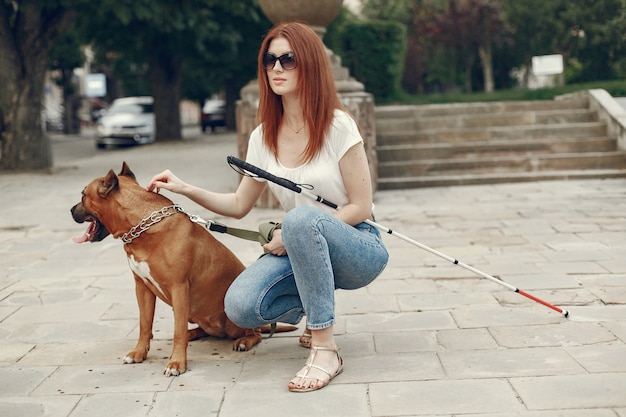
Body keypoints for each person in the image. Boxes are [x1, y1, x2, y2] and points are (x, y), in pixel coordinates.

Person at [147, 21, 389, 392]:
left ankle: (325, 349)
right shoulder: (263, 136)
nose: (276, 68)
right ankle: (314, 298)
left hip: (359, 246)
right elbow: (240, 204)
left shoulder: (339, 125)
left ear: (309, 64)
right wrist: (183, 188)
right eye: (269, 60)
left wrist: (295, 234)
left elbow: (361, 205)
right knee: (240, 306)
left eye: (288, 60)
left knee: (299, 219)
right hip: (302, 242)